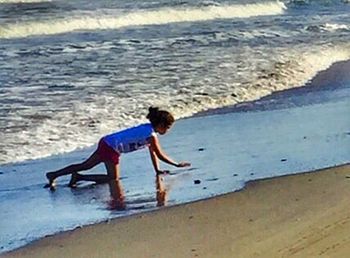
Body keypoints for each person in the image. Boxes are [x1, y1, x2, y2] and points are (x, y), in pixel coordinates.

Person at [45, 107, 191, 191]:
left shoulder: (148, 131)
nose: (168, 130)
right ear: (160, 125)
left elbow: (152, 152)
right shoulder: (150, 134)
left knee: (86, 165)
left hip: (107, 142)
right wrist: (176, 164)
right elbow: (159, 154)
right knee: (112, 178)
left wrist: (157, 170)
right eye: (168, 127)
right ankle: (79, 177)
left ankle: (54, 174)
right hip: (111, 148)